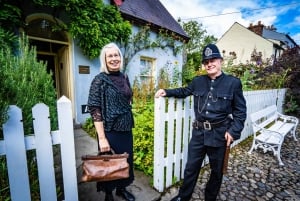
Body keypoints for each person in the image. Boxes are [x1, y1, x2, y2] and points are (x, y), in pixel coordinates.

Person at [155, 44, 247, 201]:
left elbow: (240, 111)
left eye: (213, 60)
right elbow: (184, 91)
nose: (209, 64)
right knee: (191, 168)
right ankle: (183, 197)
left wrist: (233, 131)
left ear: (220, 61)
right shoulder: (198, 81)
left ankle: (210, 198)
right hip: (198, 134)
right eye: (206, 62)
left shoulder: (233, 83)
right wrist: (167, 91)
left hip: (219, 135)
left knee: (216, 171)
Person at [87, 42, 135, 201]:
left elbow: (127, 98)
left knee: (125, 162)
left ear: (120, 58)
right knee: (109, 164)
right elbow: (95, 108)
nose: (114, 58)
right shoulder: (99, 80)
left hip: (126, 129)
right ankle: (109, 194)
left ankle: (121, 189)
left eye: (116, 55)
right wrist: (102, 138)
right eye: (110, 56)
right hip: (110, 131)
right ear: (105, 60)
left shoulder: (125, 77)